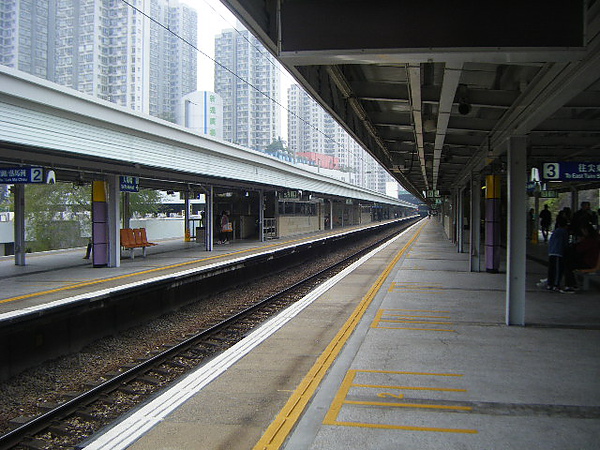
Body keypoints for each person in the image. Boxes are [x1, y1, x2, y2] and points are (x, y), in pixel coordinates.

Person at [564, 223, 600, 290]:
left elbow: (579, 249)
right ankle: (572, 284)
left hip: (589, 262)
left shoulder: (590, 240)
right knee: (570, 263)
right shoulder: (595, 239)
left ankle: (571, 285)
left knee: (568, 264)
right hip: (590, 261)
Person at [543, 215, 572, 293]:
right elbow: (565, 244)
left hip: (551, 252)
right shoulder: (564, 232)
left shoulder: (555, 231)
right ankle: (556, 285)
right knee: (558, 270)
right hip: (558, 253)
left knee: (551, 269)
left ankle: (550, 284)